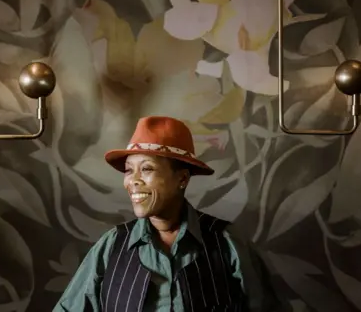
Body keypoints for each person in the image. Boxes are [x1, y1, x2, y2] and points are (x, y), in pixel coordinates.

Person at [54, 116, 280, 311]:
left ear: (182, 179)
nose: (133, 181)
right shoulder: (111, 246)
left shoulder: (227, 242)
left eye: (147, 169)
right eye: (128, 170)